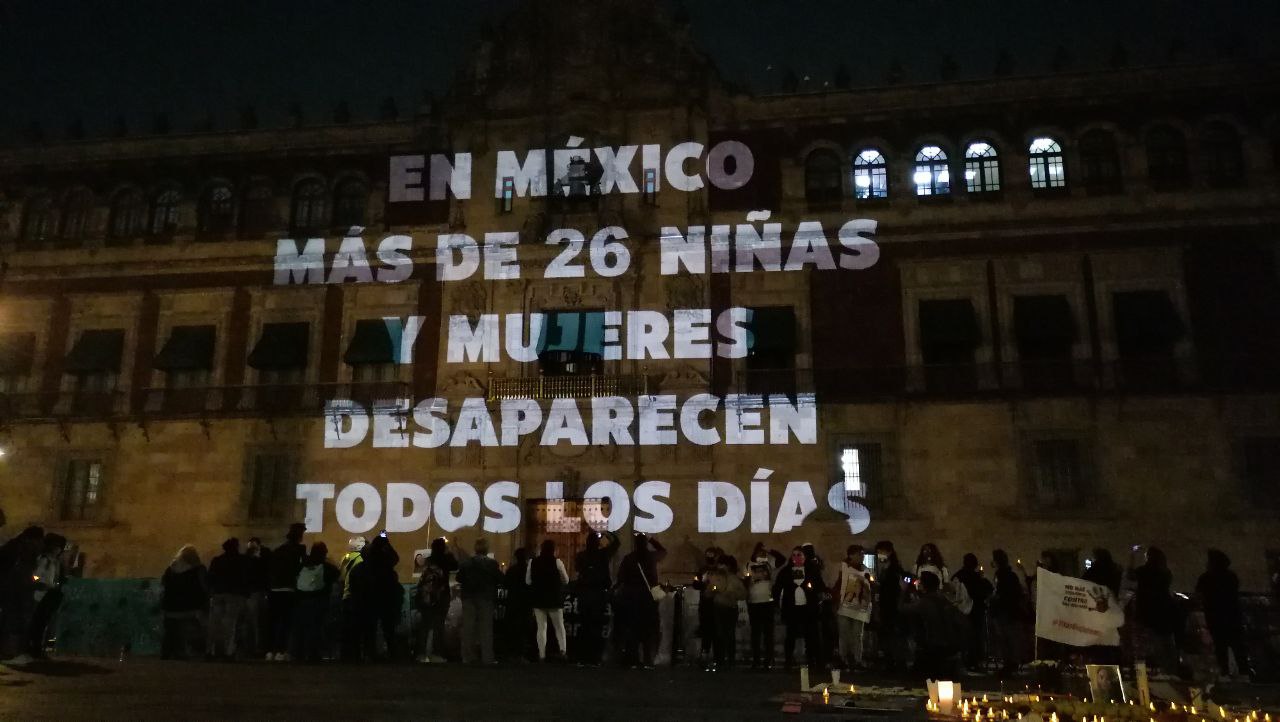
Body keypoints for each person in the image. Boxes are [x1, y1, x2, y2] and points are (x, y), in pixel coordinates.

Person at [1196, 549, 1252, 679]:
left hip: (1216, 618)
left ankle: (1226, 674)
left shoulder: (1206, 578)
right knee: (1238, 648)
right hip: (1231, 617)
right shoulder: (1230, 577)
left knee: (1221, 648)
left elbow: (1199, 594)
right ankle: (1244, 674)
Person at [616, 533, 666, 668]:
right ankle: (648, 660)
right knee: (648, 630)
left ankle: (632, 659)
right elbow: (663, 551)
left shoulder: (629, 558)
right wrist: (651, 539)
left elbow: (621, 577)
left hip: (631, 598)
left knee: (632, 630)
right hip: (648, 598)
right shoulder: (651, 557)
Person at [904, 571, 967, 680]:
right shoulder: (944, 600)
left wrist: (903, 590)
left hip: (933, 646)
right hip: (949, 644)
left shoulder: (925, 602)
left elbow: (903, 609)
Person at [774, 546, 825, 671]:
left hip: (808, 608)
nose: (796, 557)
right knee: (790, 635)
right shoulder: (786, 571)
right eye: (794, 555)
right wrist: (776, 602)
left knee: (811, 635)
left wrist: (816, 593)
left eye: (799, 555)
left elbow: (820, 586)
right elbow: (777, 588)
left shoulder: (812, 570)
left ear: (804, 557)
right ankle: (789, 661)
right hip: (792, 608)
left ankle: (813, 660)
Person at [1131, 546, 1179, 673]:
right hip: (1164, 610)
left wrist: (1132, 556)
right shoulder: (1165, 572)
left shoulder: (1144, 571)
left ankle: (1157, 669)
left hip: (1148, 610)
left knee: (1151, 643)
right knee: (1166, 642)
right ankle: (1170, 669)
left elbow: (1131, 575)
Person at [574, 530, 619, 665]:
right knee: (596, 627)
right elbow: (616, 543)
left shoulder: (581, 556)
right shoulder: (603, 555)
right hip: (598, 595)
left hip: (585, 595)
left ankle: (582, 657)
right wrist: (606, 533)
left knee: (584, 626)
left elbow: (578, 570)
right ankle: (595, 657)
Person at [0, 526, 43, 665]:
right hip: (14, 590)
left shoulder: (15, 546)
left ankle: (11, 653)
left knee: (15, 620)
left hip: (15, 589)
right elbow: (25, 572)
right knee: (14, 620)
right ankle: (10, 654)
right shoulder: (19, 549)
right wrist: (35, 581)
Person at [355, 534, 402, 661]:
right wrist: (387, 543)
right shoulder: (386, 563)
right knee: (388, 628)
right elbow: (395, 558)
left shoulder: (366, 564)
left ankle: (370, 654)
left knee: (371, 628)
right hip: (385, 599)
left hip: (370, 599)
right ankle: (391, 654)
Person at [457, 537, 503, 665]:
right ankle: (487, 657)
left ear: (475, 549)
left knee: (468, 627)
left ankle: (467, 656)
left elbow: (459, 577)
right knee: (486, 628)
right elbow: (500, 578)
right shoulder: (492, 563)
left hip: (468, 597)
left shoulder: (466, 563)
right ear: (487, 549)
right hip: (486, 598)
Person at [291, 542, 338, 663]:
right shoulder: (326, 567)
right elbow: (336, 575)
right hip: (318, 600)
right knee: (315, 628)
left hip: (301, 601)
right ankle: (313, 654)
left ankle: (298, 654)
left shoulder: (302, 565)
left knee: (301, 628)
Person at [266, 523, 307, 661]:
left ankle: (270, 650)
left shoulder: (279, 550)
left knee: (273, 621)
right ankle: (281, 651)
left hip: (275, 589)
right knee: (286, 622)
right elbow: (300, 568)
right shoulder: (299, 550)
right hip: (289, 589)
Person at [161, 545, 209, 660]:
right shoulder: (199, 569)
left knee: (171, 631)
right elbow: (204, 587)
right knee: (197, 629)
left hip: (170, 606)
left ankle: (169, 651)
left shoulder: (171, 569)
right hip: (192, 607)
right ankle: (194, 651)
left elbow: (164, 584)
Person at [415, 537, 456, 662]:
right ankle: (436, 654)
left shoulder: (428, 560)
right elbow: (456, 565)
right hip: (441, 595)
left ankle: (421, 654)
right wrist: (450, 552)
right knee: (439, 626)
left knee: (424, 626)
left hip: (427, 596)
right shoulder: (446, 560)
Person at [206, 537, 249, 660]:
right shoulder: (242, 561)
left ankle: (211, 651)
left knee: (214, 624)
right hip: (234, 595)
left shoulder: (217, 560)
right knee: (231, 625)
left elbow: (210, 578)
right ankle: (228, 652)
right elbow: (245, 578)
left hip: (218, 594)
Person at [832, 544, 873, 671]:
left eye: (862, 554)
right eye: (859, 554)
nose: (861, 556)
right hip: (845, 606)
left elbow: (868, 587)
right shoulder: (843, 568)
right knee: (844, 634)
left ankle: (857, 659)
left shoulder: (865, 570)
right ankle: (843, 658)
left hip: (859, 607)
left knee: (858, 635)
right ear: (851, 555)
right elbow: (838, 585)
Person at [527, 539, 569, 662]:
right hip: (554, 598)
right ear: (553, 550)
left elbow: (528, 581)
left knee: (541, 627)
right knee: (559, 627)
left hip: (539, 599)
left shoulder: (532, 562)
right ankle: (563, 651)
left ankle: (542, 654)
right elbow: (566, 580)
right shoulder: (557, 562)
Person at [745, 543, 784, 669]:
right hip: (754, 602)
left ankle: (768, 659)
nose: (762, 555)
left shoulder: (769, 564)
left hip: (767, 602)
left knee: (768, 633)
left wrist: (770, 549)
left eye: (764, 553)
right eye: (760, 553)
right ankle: (756, 660)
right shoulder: (749, 565)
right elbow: (745, 579)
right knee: (755, 633)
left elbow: (782, 559)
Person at [27, 533, 67, 659]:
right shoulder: (45, 560)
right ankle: (34, 648)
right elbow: (36, 575)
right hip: (41, 594)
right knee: (38, 622)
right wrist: (40, 582)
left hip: (49, 593)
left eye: (60, 547)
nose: (58, 549)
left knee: (43, 622)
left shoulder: (55, 562)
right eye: (56, 546)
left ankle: (38, 648)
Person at [951, 553, 993, 671]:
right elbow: (986, 590)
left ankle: (966, 661)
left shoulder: (959, 575)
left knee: (966, 638)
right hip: (975, 612)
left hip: (962, 612)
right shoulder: (975, 577)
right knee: (975, 638)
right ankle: (973, 661)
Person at [989, 549, 1028, 675]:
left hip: (1005, 611)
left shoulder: (1003, 575)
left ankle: (1010, 664)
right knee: (1009, 638)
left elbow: (1003, 593)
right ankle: (1011, 663)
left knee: (1007, 638)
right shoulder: (1010, 575)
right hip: (1010, 611)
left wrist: (995, 599)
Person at [873, 540, 908, 671]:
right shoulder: (886, 568)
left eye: (881, 552)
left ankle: (896, 663)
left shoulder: (894, 569)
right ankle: (890, 662)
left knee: (893, 636)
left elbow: (896, 587)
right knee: (887, 636)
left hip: (892, 606)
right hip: (886, 606)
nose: (879, 555)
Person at [692, 546, 722, 666]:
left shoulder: (719, 571)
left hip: (716, 603)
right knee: (706, 631)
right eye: (708, 555)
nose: (709, 558)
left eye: (711, 555)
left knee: (715, 631)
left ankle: (717, 657)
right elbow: (695, 584)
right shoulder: (702, 570)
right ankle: (705, 655)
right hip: (705, 604)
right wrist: (703, 585)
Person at [338, 536, 366, 661]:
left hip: (344, 596)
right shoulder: (361, 559)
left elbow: (341, 577)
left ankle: (344, 654)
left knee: (345, 628)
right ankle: (355, 655)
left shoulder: (345, 558)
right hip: (355, 597)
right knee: (356, 628)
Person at [243, 537, 271, 658]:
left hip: (254, 593)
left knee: (255, 622)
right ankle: (255, 647)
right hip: (254, 593)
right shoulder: (256, 561)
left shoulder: (256, 561)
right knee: (255, 622)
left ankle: (255, 647)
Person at [503, 547, 532, 662]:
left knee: (512, 629)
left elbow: (505, 583)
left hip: (513, 601)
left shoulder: (512, 570)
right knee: (523, 630)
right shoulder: (528, 570)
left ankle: (511, 654)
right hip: (525, 602)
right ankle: (520, 654)